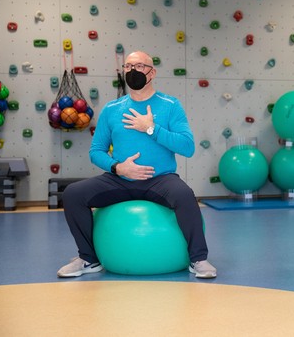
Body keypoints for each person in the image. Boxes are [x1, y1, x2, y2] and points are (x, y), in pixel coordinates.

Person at [57, 51, 216, 279]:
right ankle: (88, 259)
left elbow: (187, 147)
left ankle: (198, 259)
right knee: (73, 194)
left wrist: (151, 129)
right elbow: (96, 152)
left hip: (160, 179)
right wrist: (117, 167)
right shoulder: (112, 109)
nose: (133, 71)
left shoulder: (170, 105)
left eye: (140, 66)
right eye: (128, 66)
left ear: (152, 72)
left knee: (184, 195)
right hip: (119, 178)